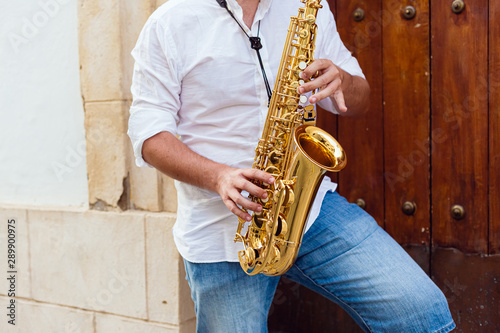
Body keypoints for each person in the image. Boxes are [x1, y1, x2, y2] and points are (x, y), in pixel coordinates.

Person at [127, 0, 456, 332]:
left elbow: (360, 99)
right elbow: (149, 135)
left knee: (421, 311)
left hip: (309, 208)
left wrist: (341, 79)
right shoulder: (169, 23)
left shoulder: (306, 7)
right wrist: (218, 176)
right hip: (222, 229)